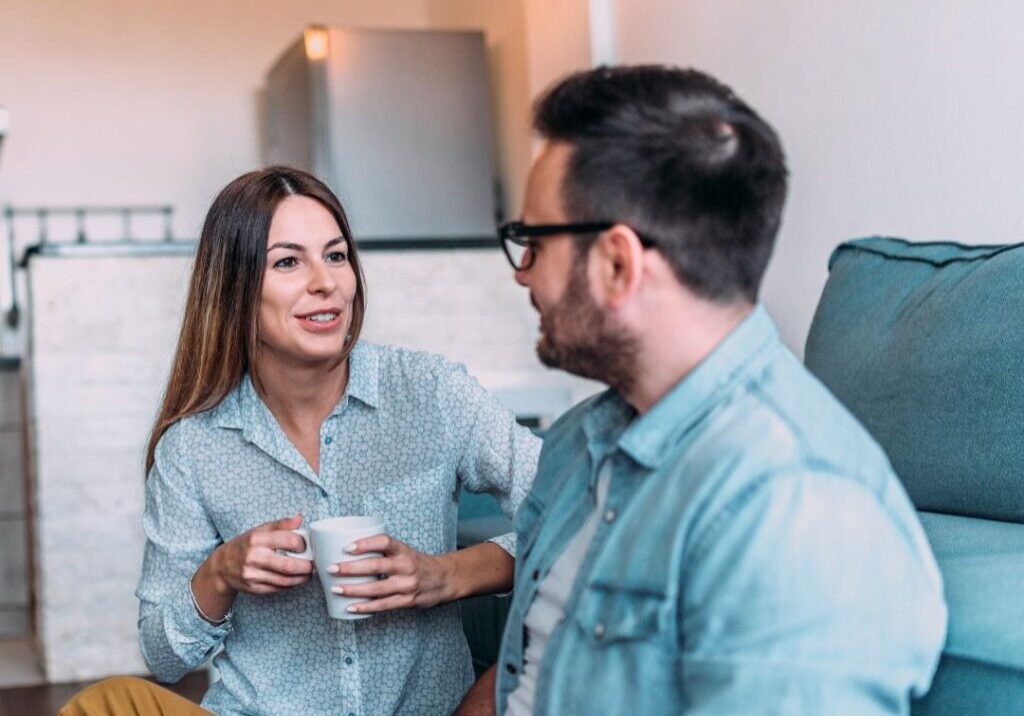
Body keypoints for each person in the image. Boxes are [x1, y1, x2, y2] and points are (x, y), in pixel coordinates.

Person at [456, 65, 947, 715]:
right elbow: (531, 666)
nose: (523, 277)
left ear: (617, 263)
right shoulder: (577, 442)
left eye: (532, 243)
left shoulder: (796, 509)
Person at [61, 166, 540, 716]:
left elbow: (583, 516)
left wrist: (443, 575)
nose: (326, 282)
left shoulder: (431, 393)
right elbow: (164, 657)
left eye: (336, 256)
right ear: (235, 289)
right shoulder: (193, 448)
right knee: (104, 705)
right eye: (288, 261)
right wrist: (221, 573)